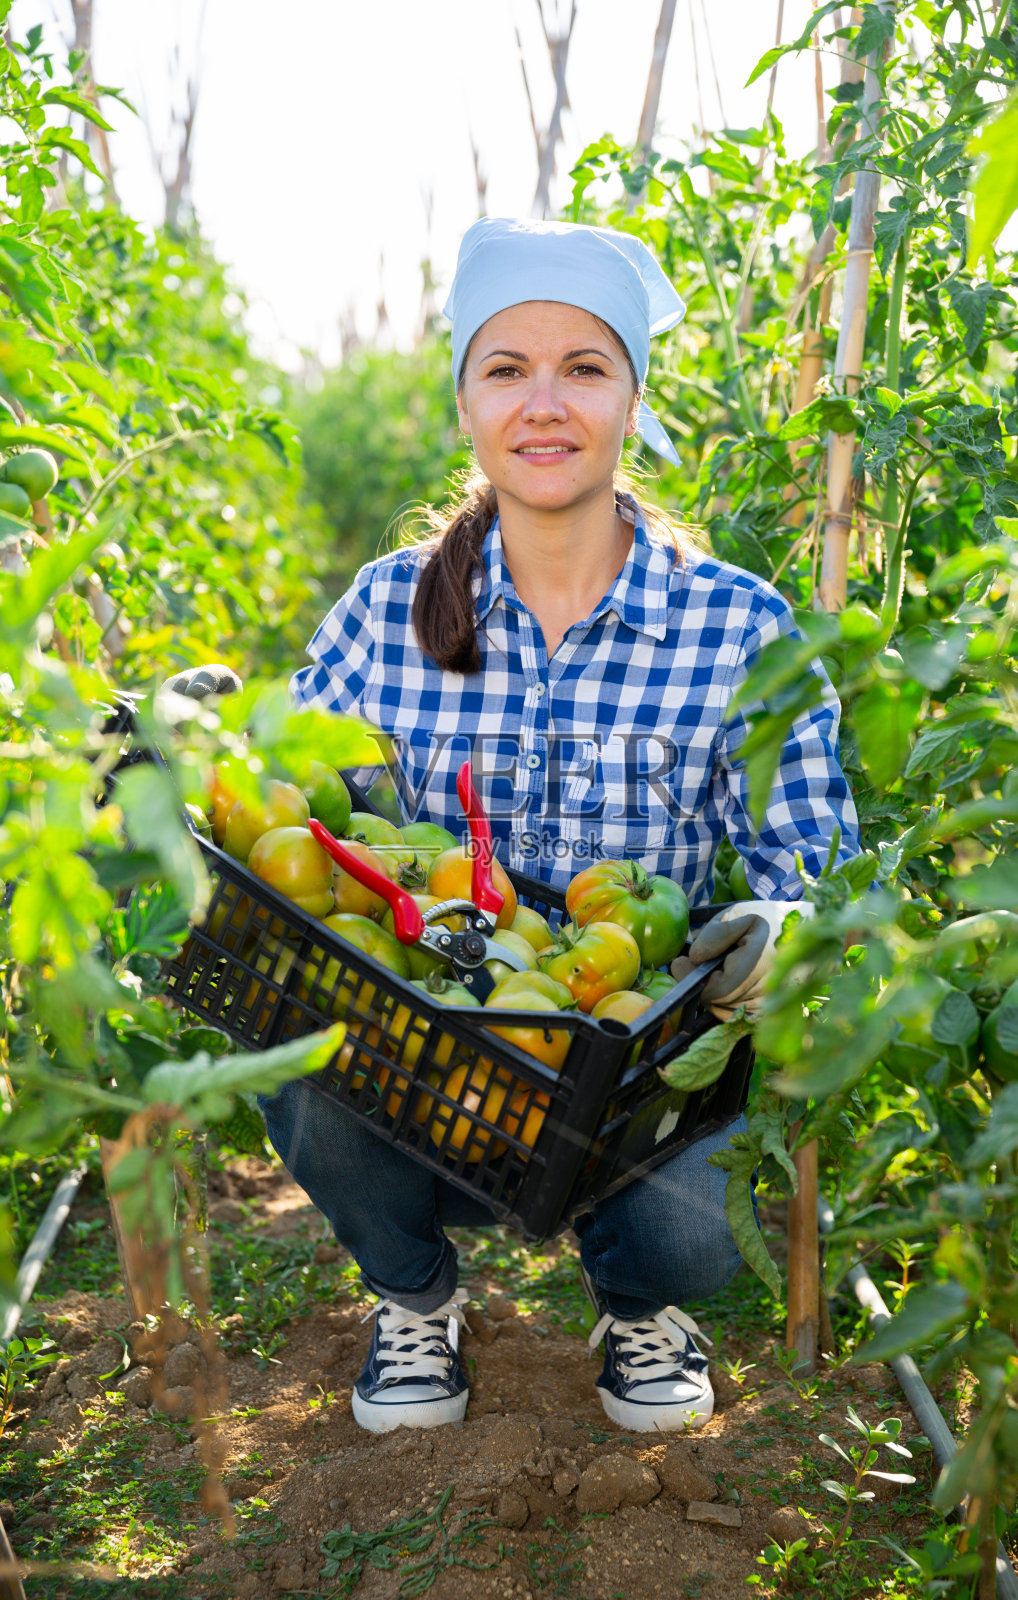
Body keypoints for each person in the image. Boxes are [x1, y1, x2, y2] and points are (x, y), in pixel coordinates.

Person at [259, 217, 861, 1435]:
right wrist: (190, 756)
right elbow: (291, 806)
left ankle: (641, 1295)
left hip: (631, 1079)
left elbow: (820, 864)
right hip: (428, 1069)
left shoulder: (737, 628)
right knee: (305, 1039)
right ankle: (413, 1290)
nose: (544, 404)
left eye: (583, 367)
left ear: (632, 399)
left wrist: (781, 925)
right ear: (465, 404)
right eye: (505, 369)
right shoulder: (387, 611)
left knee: (701, 1223)